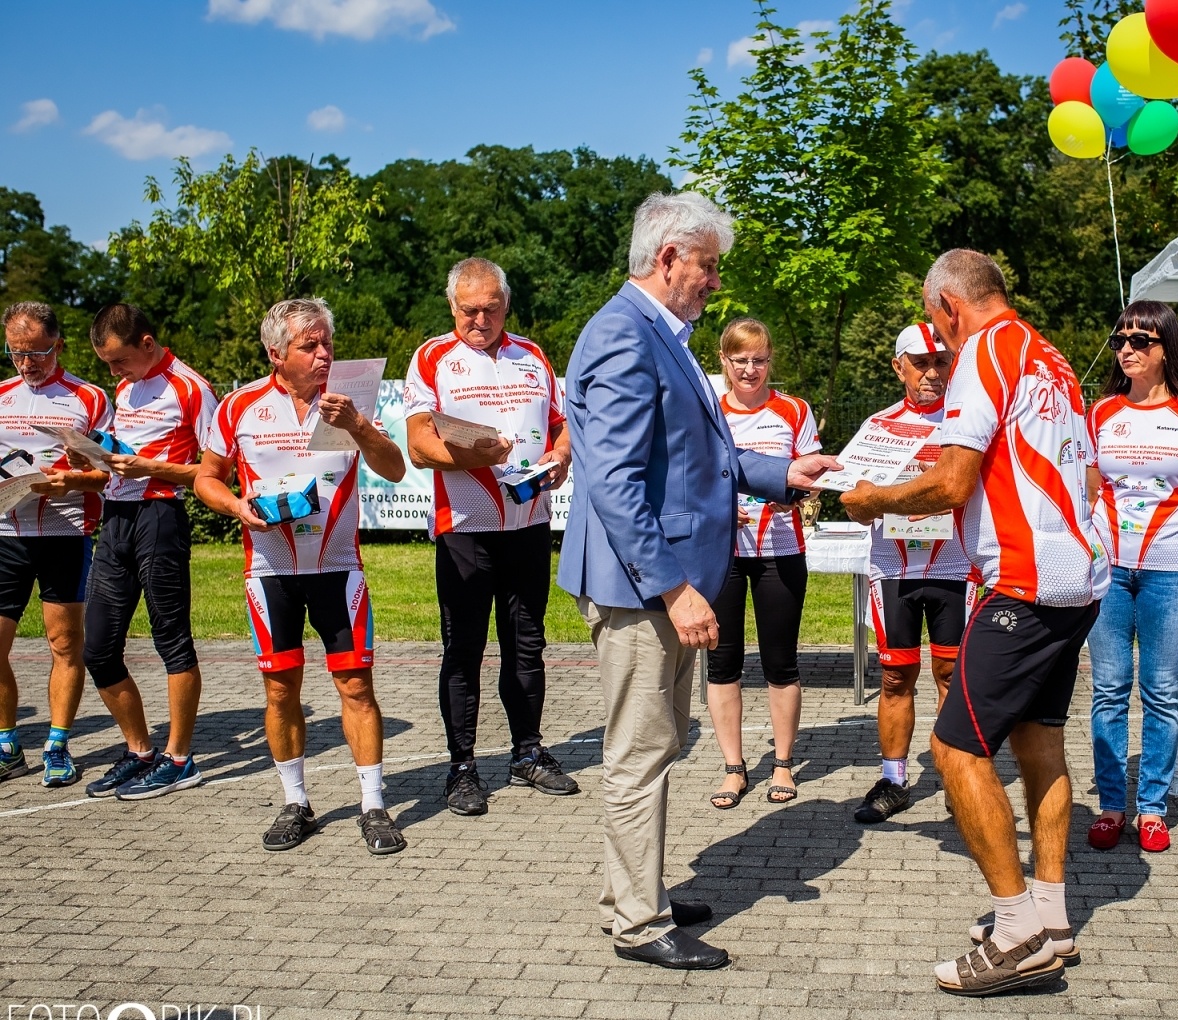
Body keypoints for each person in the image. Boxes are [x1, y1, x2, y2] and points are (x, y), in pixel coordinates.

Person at [558, 191, 839, 970]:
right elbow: (613, 480)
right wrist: (675, 587)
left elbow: (698, 457)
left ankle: (633, 892)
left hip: (661, 579)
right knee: (640, 751)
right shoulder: (625, 334)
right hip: (641, 586)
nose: (716, 281)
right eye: (708, 266)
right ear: (669, 258)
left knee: (657, 744)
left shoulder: (661, 333)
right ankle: (639, 925)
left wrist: (785, 471)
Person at [842, 249, 1107, 997]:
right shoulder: (1048, 353)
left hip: (1023, 583)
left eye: (937, 323)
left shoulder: (984, 352)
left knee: (955, 748)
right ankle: (1051, 918)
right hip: (1076, 577)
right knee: (1039, 742)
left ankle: (1017, 931)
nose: (940, 341)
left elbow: (953, 482)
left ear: (950, 309)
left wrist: (876, 500)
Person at [194, 298, 408, 855]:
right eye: (308, 346)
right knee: (280, 689)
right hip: (269, 571)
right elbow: (205, 479)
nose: (322, 354)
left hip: (338, 569)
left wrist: (358, 425)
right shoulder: (239, 406)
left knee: (356, 686)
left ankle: (374, 804)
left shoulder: (349, 401)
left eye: (325, 344)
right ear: (275, 353)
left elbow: (394, 467)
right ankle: (296, 802)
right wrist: (237, 507)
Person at [403, 257, 577, 816]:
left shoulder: (534, 355)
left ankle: (528, 752)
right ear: (451, 306)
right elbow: (418, 444)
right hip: (465, 529)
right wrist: (472, 453)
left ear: (507, 305)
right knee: (465, 650)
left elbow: (562, 421)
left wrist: (562, 455)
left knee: (528, 646)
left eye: (491, 309)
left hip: (527, 522)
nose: (480, 320)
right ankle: (462, 767)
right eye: (469, 310)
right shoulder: (433, 357)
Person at [1083, 301, 1178, 853]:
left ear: (1166, 347)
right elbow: (1090, 492)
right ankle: (1110, 805)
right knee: (1108, 689)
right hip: (1108, 572)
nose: (1126, 348)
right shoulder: (1100, 413)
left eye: (1140, 340)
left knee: (1162, 692)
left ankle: (1152, 806)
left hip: (1173, 570)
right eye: (1120, 338)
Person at [80, 304, 218, 800]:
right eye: (107, 365)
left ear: (146, 343)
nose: (114, 373)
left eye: (119, 361)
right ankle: (140, 751)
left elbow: (216, 469)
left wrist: (151, 468)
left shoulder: (190, 387)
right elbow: (122, 454)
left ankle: (180, 759)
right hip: (115, 518)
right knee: (96, 646)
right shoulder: (125, 388)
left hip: (160, 518)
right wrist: (93, 457)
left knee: (171, 640)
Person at [853, 322, 972, 825]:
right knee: (896, 674)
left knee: (951, 674)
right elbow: (854, 498)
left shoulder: (968, 421)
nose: (931, 372)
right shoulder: (878, 425)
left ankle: (956, 778)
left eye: (940, 361)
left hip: (954, 563)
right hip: (894, 567)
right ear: (897, 365)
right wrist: (863, 503)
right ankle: (894, 779)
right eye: (919, 362)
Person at [706, 317, 820, 809]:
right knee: (722, 662)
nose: (750, 370)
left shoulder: (794, 410)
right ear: (724, 362)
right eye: (740, 360)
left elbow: (811, 476)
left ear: (771, 360)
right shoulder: (708, 410)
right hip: (721, 553)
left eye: (759, 360)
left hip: (779, 549)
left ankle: (782, 764)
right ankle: (734, 767)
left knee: (780, 662)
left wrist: (791, 494)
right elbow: (694, 474)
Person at [0, 302, 110, 788]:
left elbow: (108, 474)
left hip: (65, 532)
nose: (27, 364)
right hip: (6, 533)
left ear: (59, 344)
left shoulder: (88, 398)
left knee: (65, 643)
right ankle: (7, 745)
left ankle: (57, 744)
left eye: (38, 353)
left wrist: (71, 482)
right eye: (16, 354)